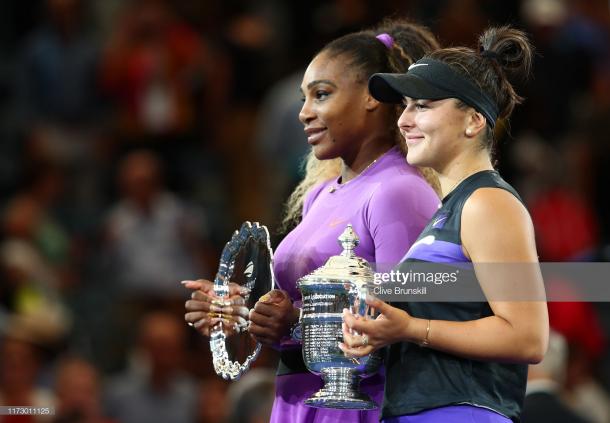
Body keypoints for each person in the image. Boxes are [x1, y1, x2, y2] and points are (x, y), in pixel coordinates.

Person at [183, 18, 441, 423]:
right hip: (300, 402)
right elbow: (300, 317)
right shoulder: (320, 195)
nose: (304, 113)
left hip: (363, 408)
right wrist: (246, 312)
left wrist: (298, 323)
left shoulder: (398, 191)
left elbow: (409, 327)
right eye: (304, 98)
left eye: (321, 95)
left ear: (373, 96)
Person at [339, 26, 549, 423]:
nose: (403, 120)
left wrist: (412, 328)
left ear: (473, 120)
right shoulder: (451, 209)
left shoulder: (488, 203)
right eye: (404, 105)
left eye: (422, 105)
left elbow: (527, 337)